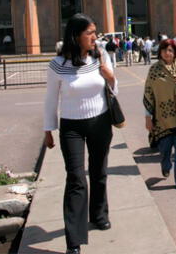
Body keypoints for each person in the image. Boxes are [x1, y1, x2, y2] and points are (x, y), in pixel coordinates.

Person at [43, 14, 116, 254]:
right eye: (89, 33)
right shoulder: (57, 65)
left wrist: (111, 77)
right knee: (76, 179)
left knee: (99, 172)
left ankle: (99, 214)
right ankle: (73, 241)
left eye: (95, 32)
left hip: (100, 121)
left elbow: (113, 87)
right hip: (71, 127)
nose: (95, 37)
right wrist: (49, 129)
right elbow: (51, 99)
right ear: (75, 36)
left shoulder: (100, 56)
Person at [143, 39, 176, 190]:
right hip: (162, 118)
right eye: (164, 50)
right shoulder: (154, 70)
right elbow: (148, 94)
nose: (167, 53)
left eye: (171, 50)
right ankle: (165, 165)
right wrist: (148, 117)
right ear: (160, 52)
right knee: (165, 148)